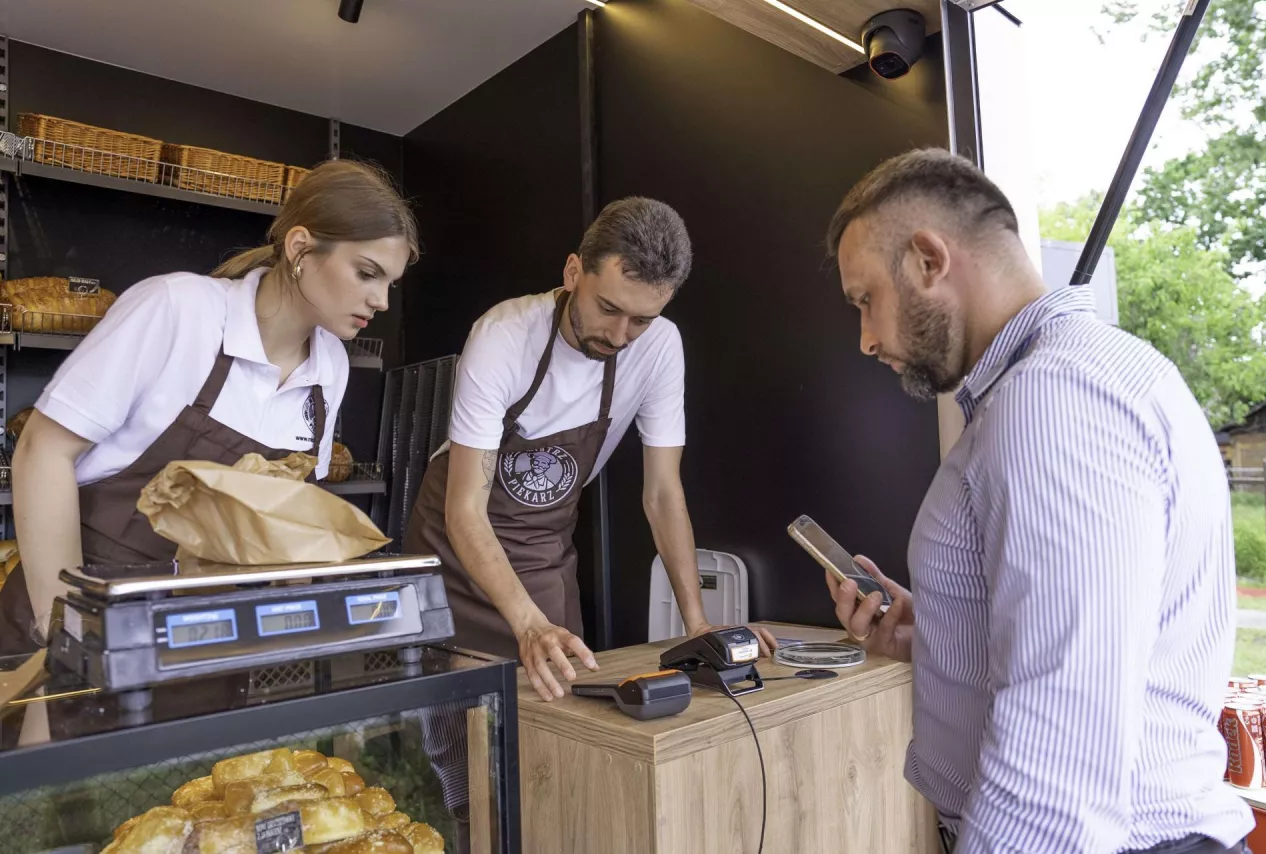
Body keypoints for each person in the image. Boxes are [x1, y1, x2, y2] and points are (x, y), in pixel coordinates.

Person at [824, 149, 1254, 853]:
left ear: (929, 260)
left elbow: (1062, 746)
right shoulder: (1084, 377)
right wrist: (936, 636)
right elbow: (1088, 642)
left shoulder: (1054, 401)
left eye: (865, 299)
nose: (867, 339)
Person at [0, 159, 418, 654]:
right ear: (301, 248)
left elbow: (284, 520)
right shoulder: (179, 309)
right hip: (80, 617)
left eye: (389, 282)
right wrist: (67, 632)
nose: (382, 300)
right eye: (367, 273)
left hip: (206, 637)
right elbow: (43, 452)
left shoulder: (331, 366)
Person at [406, 196, 777, 703]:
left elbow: (663, 494)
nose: (620, 336)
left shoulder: (661, 347)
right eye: (608, 308)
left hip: (543, 554)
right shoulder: (503, 336)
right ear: (574, 271)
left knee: (551, 728)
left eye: (641, 320)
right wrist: (528, 626)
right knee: (447, 728)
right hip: (456, 554)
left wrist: (697, 626)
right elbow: (465, 507)